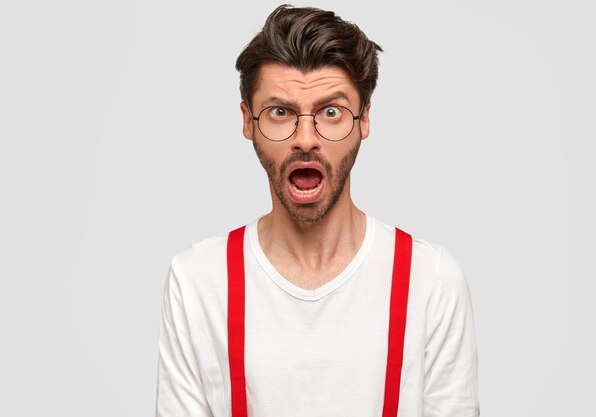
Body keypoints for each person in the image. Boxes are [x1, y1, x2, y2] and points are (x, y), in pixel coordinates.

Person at [155, 5, 479, 417]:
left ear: (364, 120)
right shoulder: (198, 281)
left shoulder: (430, 280)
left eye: (331, 112)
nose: (306, 139)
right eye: (280, 112)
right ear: (248, 122)